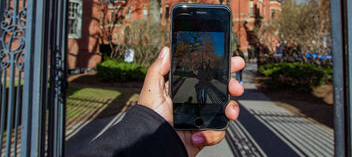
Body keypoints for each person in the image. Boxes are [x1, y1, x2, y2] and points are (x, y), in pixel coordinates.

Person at [75, 47, 245, 157]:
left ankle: (200, 105)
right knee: (202, 96)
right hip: (198, 88)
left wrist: (164, 139)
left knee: (204, 97)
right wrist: (158, 131)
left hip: (199, 91)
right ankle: (201, 105)